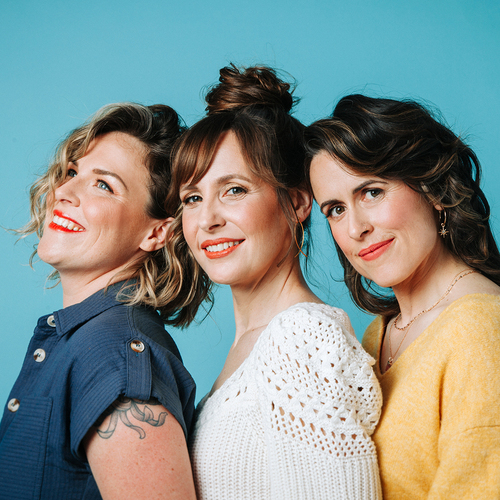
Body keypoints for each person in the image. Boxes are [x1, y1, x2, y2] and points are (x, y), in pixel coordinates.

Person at [166, 65, 383, 500]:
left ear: (298, 201)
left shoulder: (302, 338)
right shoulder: (258, 344)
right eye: (192, 198)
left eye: (234, 190)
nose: (207, 219)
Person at [0, 103, 208, 499]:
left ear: (156, 233)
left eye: (103, 185)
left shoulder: (115, 355)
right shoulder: (82, 341)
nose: (64, 192)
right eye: (73, 173)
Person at [305, 94, 500, 500]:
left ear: (433, 189)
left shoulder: (481, 329)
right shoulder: (376, 335)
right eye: (335, 209)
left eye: (371, 192)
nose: (355, 228)